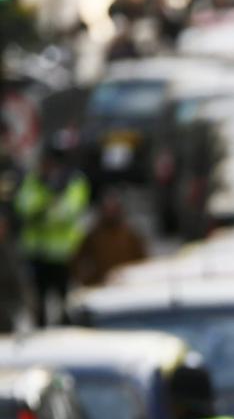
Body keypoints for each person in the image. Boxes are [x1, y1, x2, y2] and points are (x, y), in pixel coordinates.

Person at [14, 136, 90, 327]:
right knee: (38, 306)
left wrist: (44, 209)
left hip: (65, 256)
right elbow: (24, 205)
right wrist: (48, 198)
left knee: (67, 304)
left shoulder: (74, 181)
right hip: (37, 255)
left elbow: (68, 211)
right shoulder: (35, 180)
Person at [71, 190, 148, 286]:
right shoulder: (94, 234)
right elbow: (77, 259)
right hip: (103, 284)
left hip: (128, 284)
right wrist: (87, 280)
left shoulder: (130, 233)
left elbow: (143, 260)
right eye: (107, 209)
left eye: (113, 209)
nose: (110, 212)